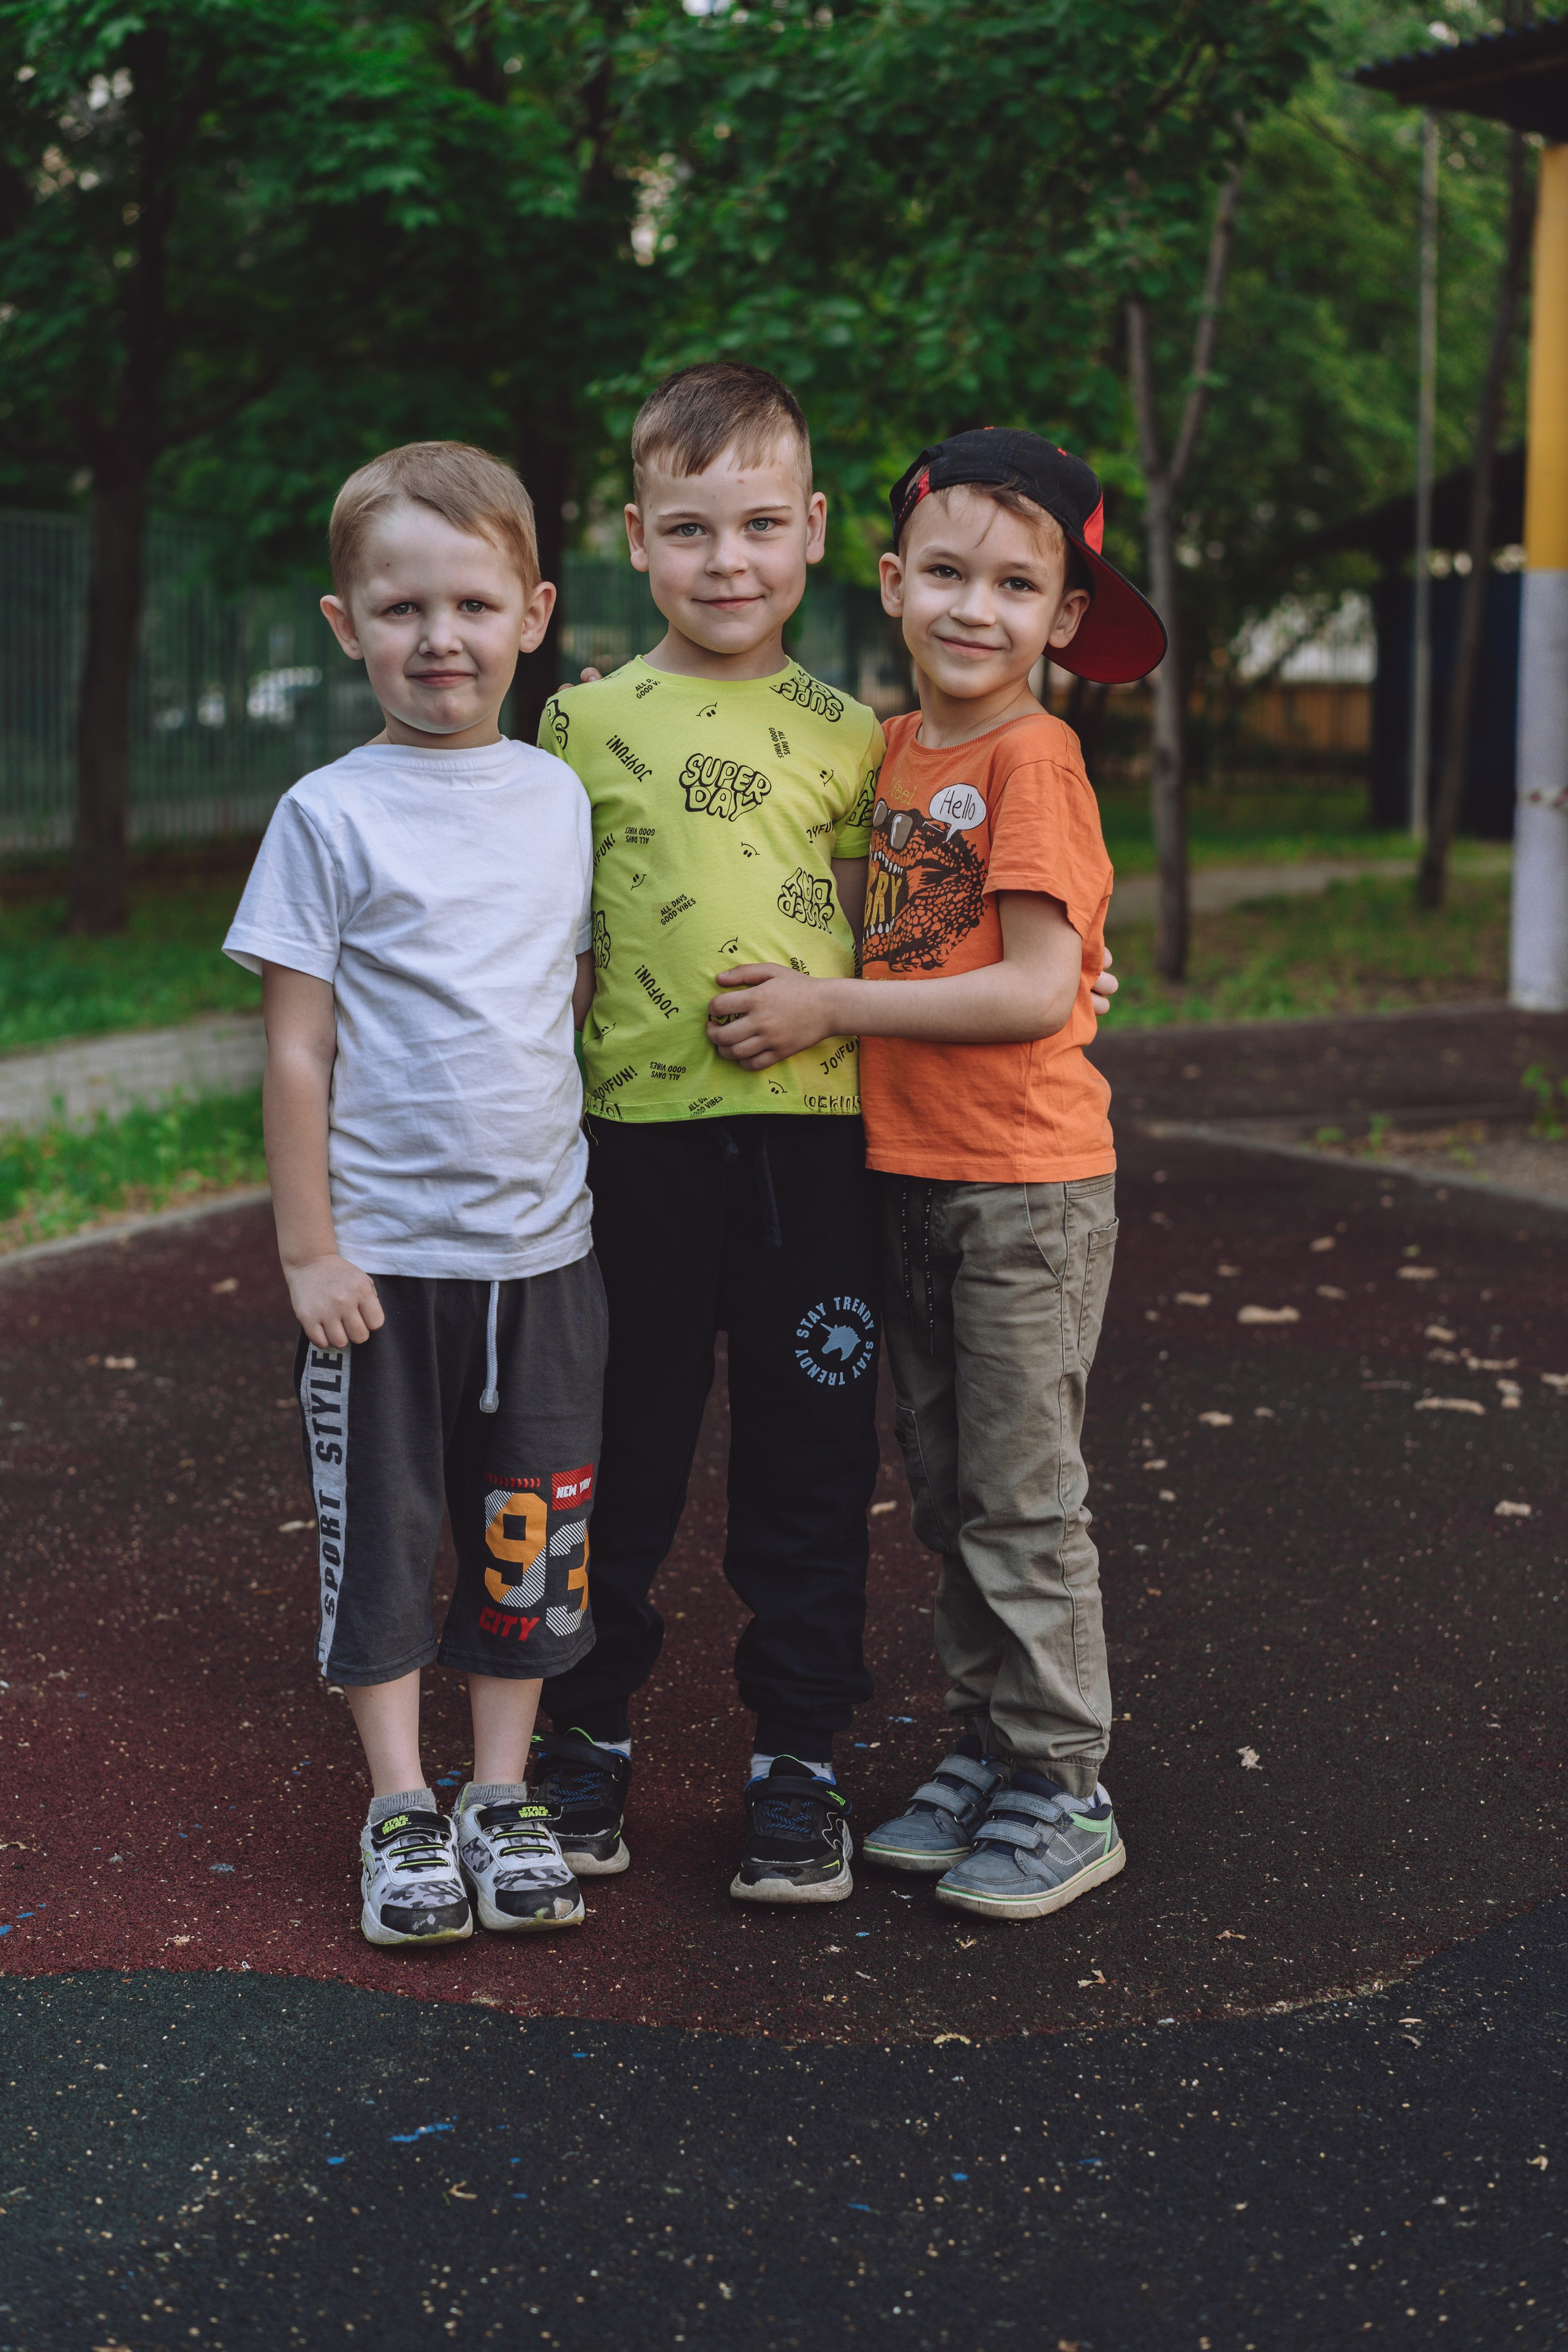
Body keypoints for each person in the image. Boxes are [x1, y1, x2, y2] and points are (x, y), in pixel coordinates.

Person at [705, 428, 1164, 1922]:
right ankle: (986, 1748)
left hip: (1021, 1187)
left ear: (1063, 622)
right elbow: (879, 925)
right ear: (894, 583)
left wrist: (829, 1008)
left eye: (1016, 585)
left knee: (1022, 1497)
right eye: (949, 574)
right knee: (953, 1492)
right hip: (906, 1173)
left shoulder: (1034, 759)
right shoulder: (893, 753)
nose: (976, 609)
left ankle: (1061, 1784)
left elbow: (1035, 991)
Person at [224, 442, 607, 1948]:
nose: (437, 637)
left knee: (531, 1539)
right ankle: (399, 1804)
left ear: (532, 612)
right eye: (400, 609)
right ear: (345, 625)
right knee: (381, 1545)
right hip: (382, 1261)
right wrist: (308, 1250)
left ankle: (499, 1796)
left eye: (470, 602)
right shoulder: (328, 814)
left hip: (545, 1256)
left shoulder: (563, 801)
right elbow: (298, 1056)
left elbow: (564, 998)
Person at [531, 361, 888, 1905]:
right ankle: (582, 1734)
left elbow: (903, 951)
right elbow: (553, 947)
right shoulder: (580, 717)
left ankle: (795, 1759)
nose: (725, 562)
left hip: (819, 1160)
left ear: (811, 530)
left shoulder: (860, 740)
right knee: (617, 1455)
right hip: (635, 1158)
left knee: (810, 1460)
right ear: (633, 537)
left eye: (757, 525)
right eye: (689, 530)